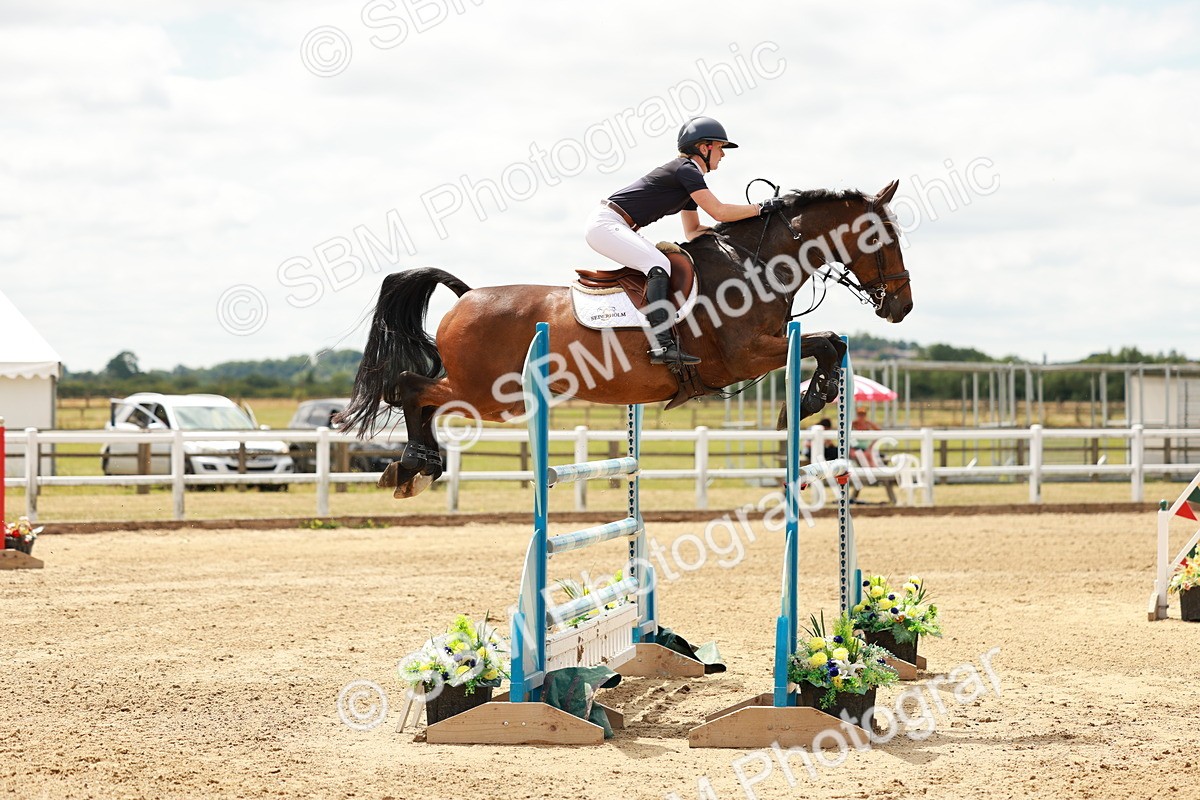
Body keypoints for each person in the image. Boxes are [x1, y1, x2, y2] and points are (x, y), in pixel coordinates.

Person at [584, 116, 784, 366]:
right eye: (720, 148)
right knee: (658, 265)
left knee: (660, 263)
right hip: (606, 224)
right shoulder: (686, 170)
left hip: (617, 225)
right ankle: (662, 345)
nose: (723, 155)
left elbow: (693, 230)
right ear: (704, 148)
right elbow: (719, 211)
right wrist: (760, 208)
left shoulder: (688, 177)